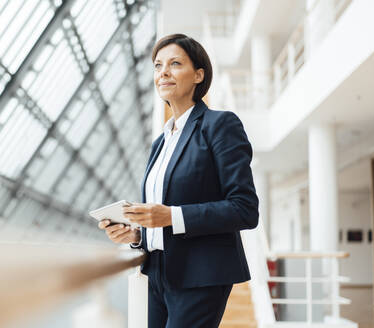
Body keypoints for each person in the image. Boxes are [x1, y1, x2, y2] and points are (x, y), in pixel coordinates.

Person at [98, 33, 259, 328]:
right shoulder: (161, 141)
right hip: (157, 271)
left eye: (175, 64)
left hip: (200, 274)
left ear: (199, 75)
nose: (164, 73)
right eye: (158, 66)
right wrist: (136, 236)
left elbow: (245, 208)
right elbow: (160, 221)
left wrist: (170, 216)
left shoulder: (220, 125)